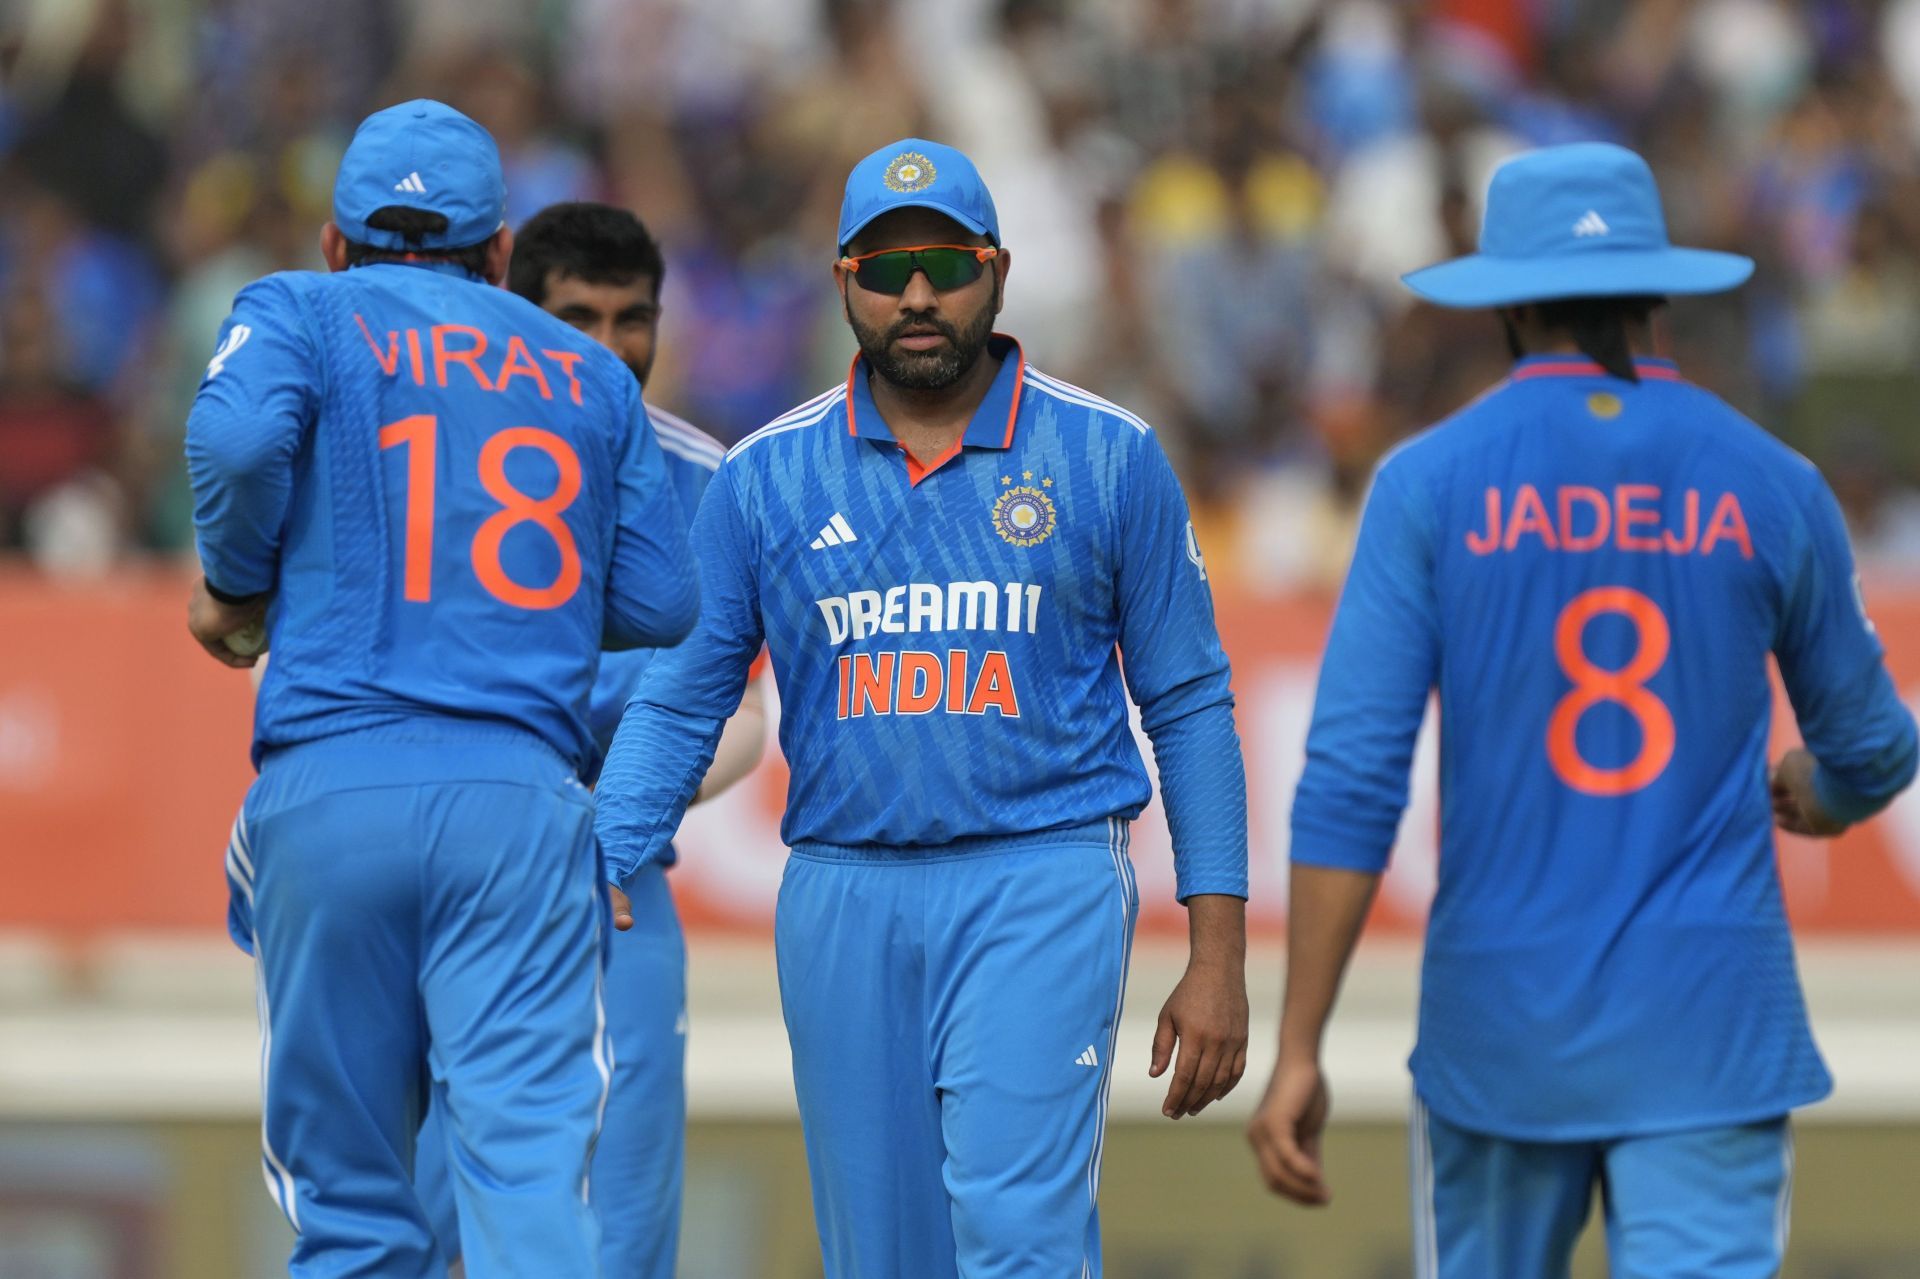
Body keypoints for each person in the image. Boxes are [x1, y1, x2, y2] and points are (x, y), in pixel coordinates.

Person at [1246, 142, 1919, 1278]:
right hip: (1711, 1024)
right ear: (1659, 292)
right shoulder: (1771, 480)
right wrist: (1825, 792)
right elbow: (1875, 744)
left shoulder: (1428, 484)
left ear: (1505, 305)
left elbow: (1353, 780)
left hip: (1501, 1027)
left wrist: (1300, 1043)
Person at [595, 138, 1252, 1277]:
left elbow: (1189, 703)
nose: (916, 294)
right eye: (886, 267)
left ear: (995, 272)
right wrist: (605, 856)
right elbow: (685, 693)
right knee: (881, 1257)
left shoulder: (1106, 455)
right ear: (842, 279)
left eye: (944, 264)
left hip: (1040, 874)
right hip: (842, 890)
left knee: (1017, 1239)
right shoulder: (764, 476)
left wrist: (1219, 954)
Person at [185, 101, 699, 1278]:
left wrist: (236, 577)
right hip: (519, 799)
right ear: (503, 255)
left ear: (333, 242)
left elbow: (239, 444)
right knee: (528, 1181)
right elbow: (667, 603)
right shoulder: (586, 371)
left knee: (353, 1202)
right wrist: (518, 606)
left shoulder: (296, 310)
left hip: (330, 781)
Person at [409, 201, 767, 1279]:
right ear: (515, 314)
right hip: (449, 858)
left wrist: (621, 810)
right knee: (424, 1203)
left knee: (617, 1219)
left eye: (633, 319)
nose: (611, 349)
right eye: (578, 318)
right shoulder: (428, 453)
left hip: (617, 879)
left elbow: (741, 719)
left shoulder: (707, 476)